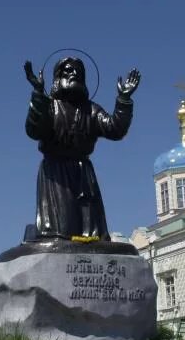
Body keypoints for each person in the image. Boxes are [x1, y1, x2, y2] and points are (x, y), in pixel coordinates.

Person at [24, 57, 140, 241]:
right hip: (56, 172)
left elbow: (115, 129)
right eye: (68, 70)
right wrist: (38, 94)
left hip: (83, 173)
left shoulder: (91, 110)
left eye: (78, 72)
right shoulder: (50, 106)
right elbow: (34, 130)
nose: (73, 74)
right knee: (61, 229)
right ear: (57, 77)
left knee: (90, 228)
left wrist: (124, 100)